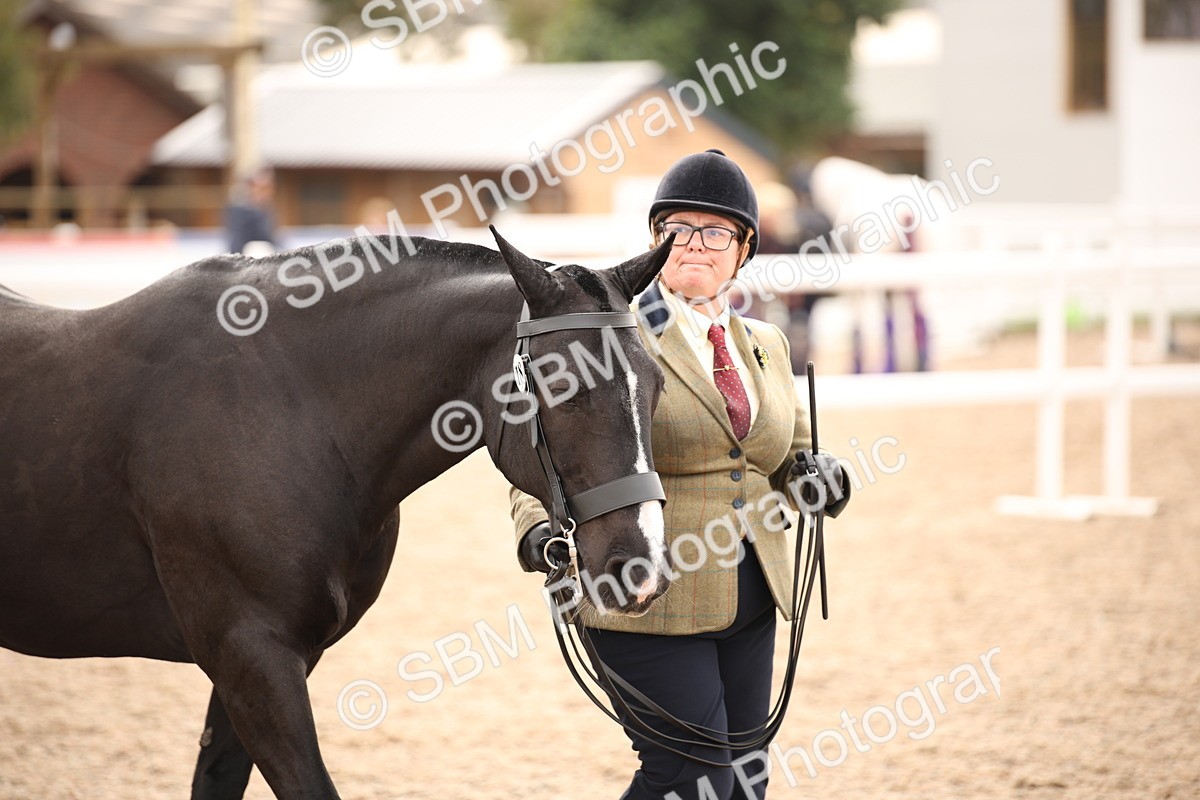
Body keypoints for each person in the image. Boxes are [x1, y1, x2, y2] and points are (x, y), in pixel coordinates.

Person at [510, 149, 850, 800]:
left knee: (746, 778)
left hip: (754, 589)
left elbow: (787, 452)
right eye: (678, 228)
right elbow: (547, 447)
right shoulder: (611, 336)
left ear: (744, 247)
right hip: (645, 591)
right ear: (655, 241)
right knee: (691, 778)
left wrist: (821, 474)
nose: (696, 244)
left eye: (716, 231)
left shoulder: (766, 343)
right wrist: (534, 527)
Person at [223, 166, 278, 255]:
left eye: (268, 188)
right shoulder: (240, 211)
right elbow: (237, 242)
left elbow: (273, 240)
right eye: (261, 188)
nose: (265, 193)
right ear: (251, 188)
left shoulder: (267, 211)